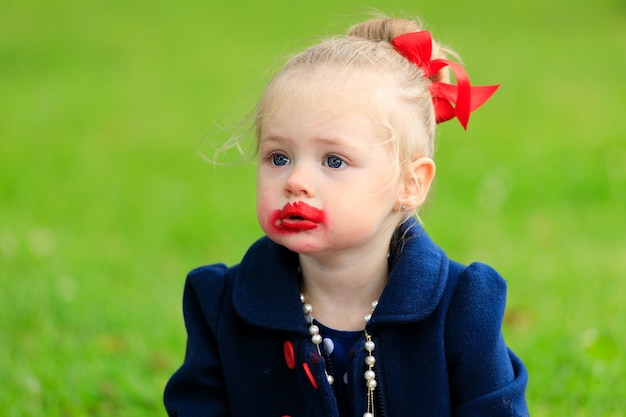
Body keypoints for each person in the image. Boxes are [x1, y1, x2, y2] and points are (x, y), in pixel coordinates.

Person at [164, 15, 529, 417]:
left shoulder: (463, 306)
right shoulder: (221, 304)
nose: (296, 181)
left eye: (334, 160)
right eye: (278, 157)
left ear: (410, 183)